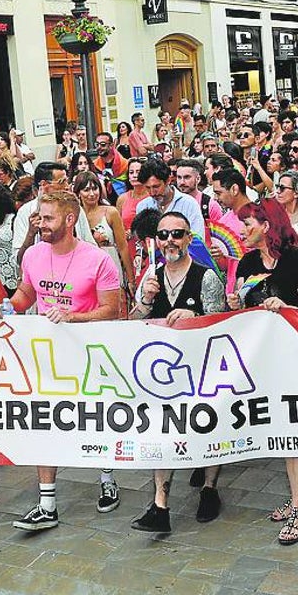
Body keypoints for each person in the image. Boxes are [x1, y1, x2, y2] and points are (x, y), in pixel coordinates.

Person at [0, 191, 122, 532]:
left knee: (96, 418)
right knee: (44, 421)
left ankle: (107, 478)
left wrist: (74, 317)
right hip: (46, 354)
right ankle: (47, 503)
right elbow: (25, 294)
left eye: (47, 218)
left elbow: (112, 309)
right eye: (39, 216)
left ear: (68, 219)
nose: (40, 223)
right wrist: (7, 307)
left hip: (88, 353)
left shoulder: (98, 260)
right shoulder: (34, 254)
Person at [227, 199, 298, 544]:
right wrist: (236, 304)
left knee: (294, 430)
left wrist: (288, 306)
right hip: (263, 359)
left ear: (267, 225)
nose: (242, 230)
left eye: (248, 224)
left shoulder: (297, 260)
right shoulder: (248, 262)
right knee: (284, 429)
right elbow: (239, 307)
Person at [129, 211, 229, 533]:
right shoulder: (151, 276)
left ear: (189, 238)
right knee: (162, 432)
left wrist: (194, 314)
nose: (169, 240)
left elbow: (222, 322)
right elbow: (132, 322)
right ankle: (160, 505)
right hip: (164, 372)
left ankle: (209, 489)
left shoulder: (206, 277)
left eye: (177, 234)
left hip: (201, 369)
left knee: (209, 428)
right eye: (163, 235)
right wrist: (146, 299)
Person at [12, 162, 96, 264]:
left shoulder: (74, 208)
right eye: (62, 182)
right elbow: (19, 260)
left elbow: (90, 245)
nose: (67, 186)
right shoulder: (25, 212)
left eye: (67, 181)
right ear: (44, 185)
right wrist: (30, 234)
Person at [134, 158, 206, 238]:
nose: (152, 193)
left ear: (168, 180)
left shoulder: (189, 204)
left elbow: (197, 240)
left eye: (156, 187)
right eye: (147, 188)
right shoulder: (143, 206)